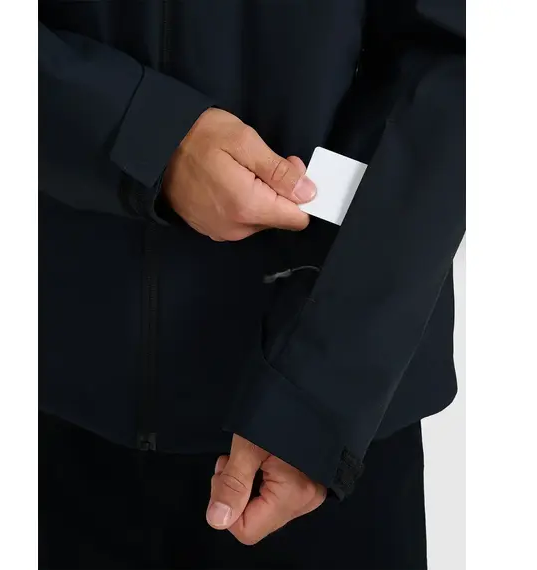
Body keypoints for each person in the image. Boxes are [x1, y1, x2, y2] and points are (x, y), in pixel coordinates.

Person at [38, 0, 465, 568]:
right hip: (61, 396)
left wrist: (316, 401)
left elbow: (460, 61)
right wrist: (151, 139)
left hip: (330, 422)